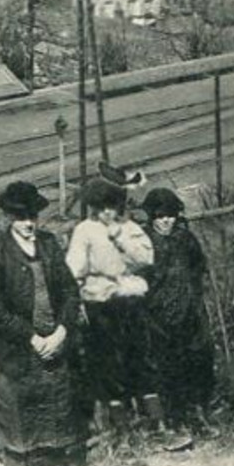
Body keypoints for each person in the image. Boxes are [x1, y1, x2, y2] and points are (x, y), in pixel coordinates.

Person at [0, 180, 89, 466]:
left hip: (53, 340)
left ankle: (54, 464)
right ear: (9, 218)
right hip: (17, 347)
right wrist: (32, 338)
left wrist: (61, 331)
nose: (28, 224)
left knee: (55, 401)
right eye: (21, 218)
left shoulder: (49, 245)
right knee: (17, 407)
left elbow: (69, 291)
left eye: (32, 217)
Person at [66, 177, 155, 431]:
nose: (108, 212)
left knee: (140, 356)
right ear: (94, 207)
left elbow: (146, 258)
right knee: (108, 363)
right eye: (102, 207)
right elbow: (74, 268)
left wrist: (119, 237)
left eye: (112, 206)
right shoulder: (85, 230)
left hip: (129, 296)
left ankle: (155, 422)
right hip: (100, 300)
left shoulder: (128, 227)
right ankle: (122, 427)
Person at [138, 188, 216, 444]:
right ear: (151, 216)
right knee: (167, 368)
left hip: (189, 313)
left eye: (170, 215)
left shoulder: (185, 239)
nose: (165, 221)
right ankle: (173, 421)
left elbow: (198, 268)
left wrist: (193, 299)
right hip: (158, 318)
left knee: (197, 362)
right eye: (159, 216)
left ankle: (198, 415)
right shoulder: (142, 242)